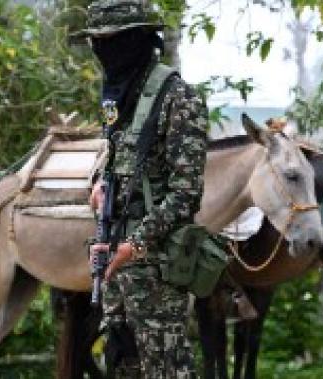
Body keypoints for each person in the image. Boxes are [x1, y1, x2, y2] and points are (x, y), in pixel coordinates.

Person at [77, 0, 208, 376]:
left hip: (156, 264)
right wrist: (100, 185)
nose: (103, 50)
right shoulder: (120, 95)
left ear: (138, 40)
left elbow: (186, 194)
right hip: (115, 253)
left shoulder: (177, 97)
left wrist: (135, 246)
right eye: (96, 41)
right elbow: (117, 160)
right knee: (120, 358)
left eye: (112, 40)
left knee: (166, 367)